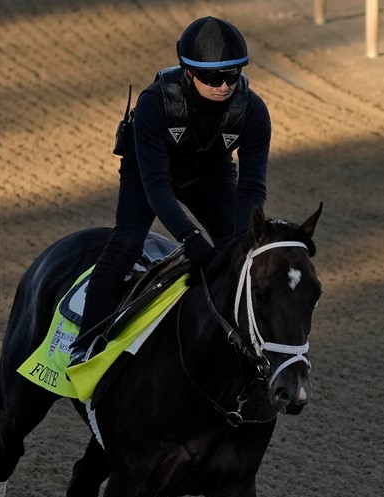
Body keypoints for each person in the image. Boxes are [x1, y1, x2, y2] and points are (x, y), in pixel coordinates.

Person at [69, 16, 272, 363]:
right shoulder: (153, 103)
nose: (223, 86)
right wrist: (190, 238)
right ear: (188, 73)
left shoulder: (253, 111)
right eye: (211, 77)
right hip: (148, 171)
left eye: (232, 75)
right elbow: (157, 187)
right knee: (125, 244)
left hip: (211, 172)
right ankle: (84, 346)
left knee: (239, 253)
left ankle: (243, 342)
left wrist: (241, 241)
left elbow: (252, 188)